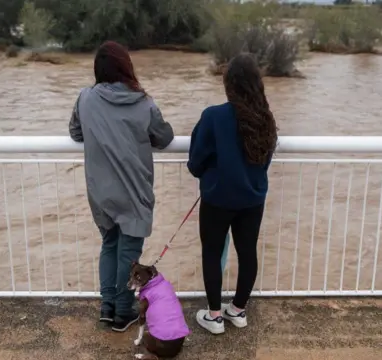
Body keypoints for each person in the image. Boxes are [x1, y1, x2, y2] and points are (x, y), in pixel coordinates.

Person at [68, 41, 175, 332]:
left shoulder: (85, 98)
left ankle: (107, 307)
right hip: (133, 191)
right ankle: (122, 311)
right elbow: (164, 137)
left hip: (100, 192)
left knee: (109, 244)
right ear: (126, 67)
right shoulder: (144, 102)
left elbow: (75, 132)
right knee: (129, 251)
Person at [187, 53, 277, 335]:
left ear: (229, 84)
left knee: (212, 253)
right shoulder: (266, 119)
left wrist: (211, 173)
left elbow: (195, 162)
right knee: (247, 252)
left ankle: (214, 316)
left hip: (218, 198)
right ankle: (238, 311)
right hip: (253, 198)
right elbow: (265, 160)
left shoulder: (213, 116)